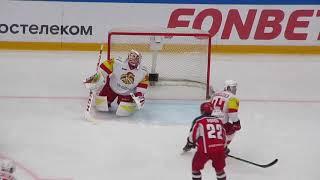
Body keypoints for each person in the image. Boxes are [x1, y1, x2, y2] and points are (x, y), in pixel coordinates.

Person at [84, 49, 149, 116]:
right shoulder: (118, 62)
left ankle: (126, 101)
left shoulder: (143, 71)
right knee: (101, 106)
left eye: (136, 58)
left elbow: (142, 86)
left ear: (139, 59)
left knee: (124, 112)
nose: (133, 60)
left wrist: (139, 96)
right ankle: (104, 96)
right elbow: (103, 71)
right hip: (111, 87)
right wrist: (96, 79)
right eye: (131, 57)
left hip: (127, 93)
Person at [183, 102, 227, 180]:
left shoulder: (200, 121)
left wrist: (190, 143)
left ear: (202, 111)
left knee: (195, 168)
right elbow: (224, 137)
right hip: (219, 150)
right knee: (219, 169)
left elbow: (192, 137)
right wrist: (224, 149)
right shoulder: (219, 121)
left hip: (205, 151)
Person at [210, 80, 241, 153]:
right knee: (232, 130)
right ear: (228, 87)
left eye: (235, 88)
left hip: (209, 121)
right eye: (233, 87)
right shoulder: (233, 98)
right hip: (222, 124)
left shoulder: (215, 94)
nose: (235, 89)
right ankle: (223, 147)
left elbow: (209, 106)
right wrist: (236, 122)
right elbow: (232, 113)